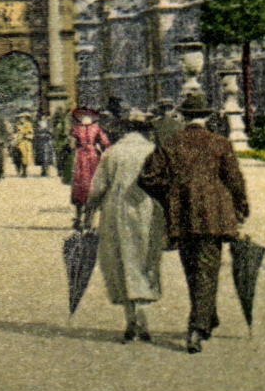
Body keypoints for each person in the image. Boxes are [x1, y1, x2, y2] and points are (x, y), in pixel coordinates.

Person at [138, 90, 250, 354]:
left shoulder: (171, 143)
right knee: (208, 268)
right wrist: (240, 208)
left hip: (182, 214)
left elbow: (147, 177)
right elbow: (235, 180)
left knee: (192, 270)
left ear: (184, 117)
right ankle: (197, 326)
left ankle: (207, 317)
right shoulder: (220, 143)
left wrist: (170, 194)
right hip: (214, 213)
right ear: (207, 117)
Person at [84, 110, 165, 342]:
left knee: (122, 260)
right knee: (144, 260)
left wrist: (89, 212)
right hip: (148, 210)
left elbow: (98, 186)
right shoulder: (152, 150)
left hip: (117, 211)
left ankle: (131, 319)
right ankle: (142, 316)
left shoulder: (113, 152)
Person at [69, 108, 111, 229]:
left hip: (80, 158)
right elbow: (105, 143)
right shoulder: (96, 129)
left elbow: (71, 144)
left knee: (79, 185)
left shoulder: (75, 129)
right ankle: (88, 218)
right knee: (92, 185)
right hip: (93, 157)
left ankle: (78, 217)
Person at [33, 110, 56, 178]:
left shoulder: (49, 124)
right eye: (42, 116)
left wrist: (49, 134)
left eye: (45, 116)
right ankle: (43, 170)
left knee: (47, 156)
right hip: (40, 142)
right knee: (41, 156)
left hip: (47, 141)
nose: (43, 117)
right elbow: (35, 132)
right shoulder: (37, 124)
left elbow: (52, 132)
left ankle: (47, 170)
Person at [13, 112, 35, 177]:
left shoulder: (28, 125)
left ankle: (24, 171)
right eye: (20, 118)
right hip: (17, 142)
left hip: (25, 143)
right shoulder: (16, 125)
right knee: (16, 156)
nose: (21, 119)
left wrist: (26, 136)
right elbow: (14, 133)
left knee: (24, 157)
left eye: (23, 118)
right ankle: (18, 168)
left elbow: (30, 133)